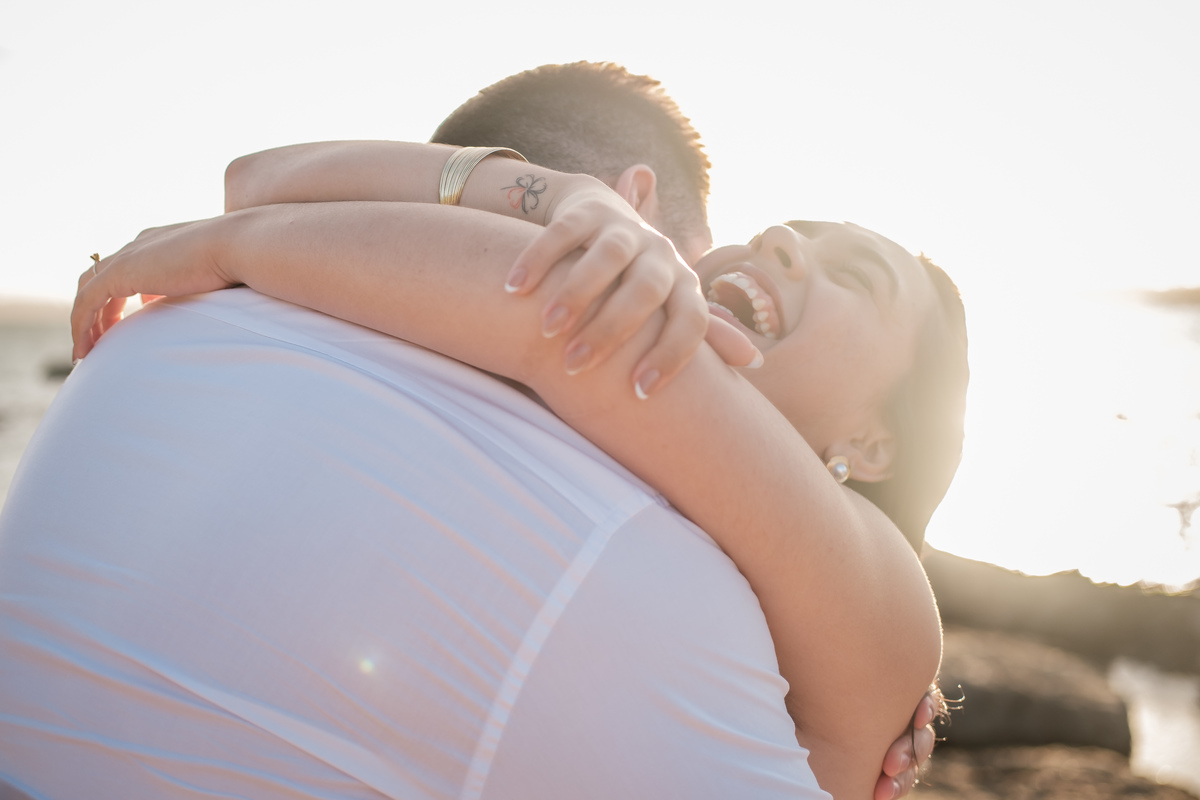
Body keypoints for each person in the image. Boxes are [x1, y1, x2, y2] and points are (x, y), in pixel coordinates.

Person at [3, 64, 961, 799]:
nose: (786, 242)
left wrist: (234, 244)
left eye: (857, 276)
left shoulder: (884, 602)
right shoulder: (648, 538)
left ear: (878, 447)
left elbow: (541, 321)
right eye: (790, 228)